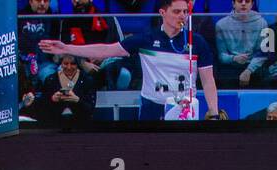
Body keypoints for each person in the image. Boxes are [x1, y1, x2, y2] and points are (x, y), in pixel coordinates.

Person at [40, 0, 222, 122]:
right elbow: (106, 50)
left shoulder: (197, 42)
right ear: (163, 13)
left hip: (186, 108)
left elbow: (207, 79)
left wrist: (213, 111)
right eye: (176, 11)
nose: (182, 16)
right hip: (152, 106)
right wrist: (66, 48)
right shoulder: (146, 39)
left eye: (185, 12)